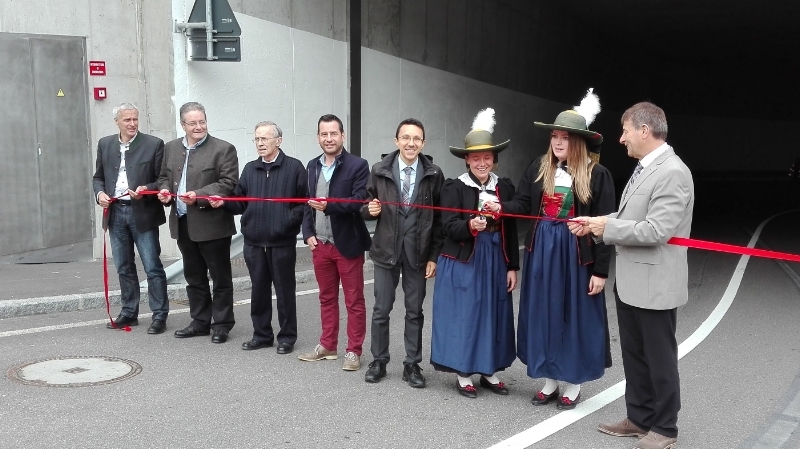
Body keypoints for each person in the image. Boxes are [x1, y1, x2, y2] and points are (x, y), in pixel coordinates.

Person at [569, 102, 694, 449]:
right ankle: (639, 418)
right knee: (636, 356)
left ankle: (665, 427)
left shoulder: (672, 172)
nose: (621, 138)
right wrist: (597, 223)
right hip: (632, 282)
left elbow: (655, 230)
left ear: (644, 130)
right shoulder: (646, 167)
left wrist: (606, 227)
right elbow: (632, 218)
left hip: (655, 285)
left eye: (625, 131)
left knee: (659, 359)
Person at [485, 89, 615, 410]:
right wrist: (500, 207)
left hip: (575, 254)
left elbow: (606, 226)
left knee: (573, 315)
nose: (557, 142)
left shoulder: (598, 175)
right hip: (542, 249)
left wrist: (600, 270)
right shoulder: (539, 167)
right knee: (543, 312)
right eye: (555, 136)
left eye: (565, 138)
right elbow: (523, 204)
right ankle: (550, 380)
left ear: (579, 142)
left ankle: (573, 381)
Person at [430, 108, 519, 398]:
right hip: (464, 258)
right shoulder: (454, 187)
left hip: (495, 256)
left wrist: (512, 266)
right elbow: (448, 226)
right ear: (467, 159)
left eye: (487, 157)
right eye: (476, 158)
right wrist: (470, 225)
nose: (482, 163)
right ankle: (464, 373)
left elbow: (511, 229)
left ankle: (489, 370)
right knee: (466, 314)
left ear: (494, 159)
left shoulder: (504, 187)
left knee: (493, 312)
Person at [210, 121, 307, 354]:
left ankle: (287, 337)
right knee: (259, 291)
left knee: (284, 292)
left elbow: (304, 203)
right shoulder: (250, 169)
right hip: (253, 242)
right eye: (257, 139)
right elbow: (240, 202)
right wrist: (224, 203)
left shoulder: (294, 168)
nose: (260, 143)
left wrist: (286, 222)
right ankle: (262, 335)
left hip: (282, 241)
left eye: (265, 138)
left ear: (278, 141)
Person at [361, 118, 445, 388]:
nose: (411, 143)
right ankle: (379, 360)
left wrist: (433, 256)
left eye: (416, 138)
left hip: (418, 253)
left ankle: (412, 363)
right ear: (396, 141)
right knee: (381, 310)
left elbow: (440, 220)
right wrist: (368, 210)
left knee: (414, 311)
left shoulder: (434, 174)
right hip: (386, 250)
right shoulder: (379, 170)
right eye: (406, 137)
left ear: (423, 143)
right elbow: (365, 204)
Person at [157, 102, 239, 344]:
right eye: (192, 123)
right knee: (194, 277)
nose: (199, 127)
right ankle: (200, 322)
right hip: (183, 223)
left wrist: (199, 195)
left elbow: (228, 183)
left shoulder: (223, 149)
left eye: (202, 121)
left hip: (213, 225)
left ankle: (222, 324)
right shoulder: (171, 148)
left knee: (220, 278)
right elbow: (163, 177)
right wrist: (164, 191)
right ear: (183, 125)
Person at [298, 114, 372, 371]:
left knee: (354, 301)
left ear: (342, 136)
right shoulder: (312, 166)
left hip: (347, 244)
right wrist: (308, 232)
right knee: (326, 298)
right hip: (320, 244)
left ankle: (353, 351)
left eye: (333, 134)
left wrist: (329, 206)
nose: (329, 138)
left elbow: (358, 201)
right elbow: (306, 203)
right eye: (324, 134)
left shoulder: (358, 165)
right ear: (318, 137)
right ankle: (328, 345)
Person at [92, 102, 169, 334]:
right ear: (117, 121)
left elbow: (162, 180)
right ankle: (129, 312)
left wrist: (147, 189)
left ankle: (159, 315)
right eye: (127, 120)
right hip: (115, 212)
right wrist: (100, 194)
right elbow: (98, 177)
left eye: (135, 119)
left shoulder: (154, 144)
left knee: (152, 266)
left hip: (142, 211)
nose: (132, 123)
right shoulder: (105, 144)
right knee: (123, 266)